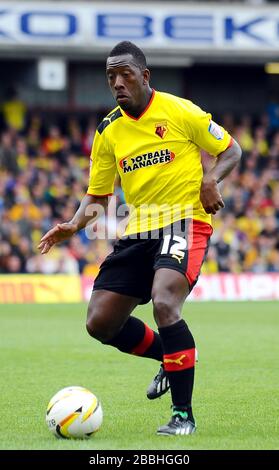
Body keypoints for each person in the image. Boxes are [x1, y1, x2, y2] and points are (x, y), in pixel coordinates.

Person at [38, 41, 242, 436]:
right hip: (138, 230)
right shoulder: (108, 130)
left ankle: (183, 415)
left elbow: (231, 149)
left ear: (145, 76)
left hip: (185, 222)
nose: (117, 82)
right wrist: (74, 224)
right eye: (110, 75)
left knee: (165, 302)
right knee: (100, 322)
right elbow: (98, 195)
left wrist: (210, 179)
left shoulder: (181, 111)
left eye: (125, 73)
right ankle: (170, 357)